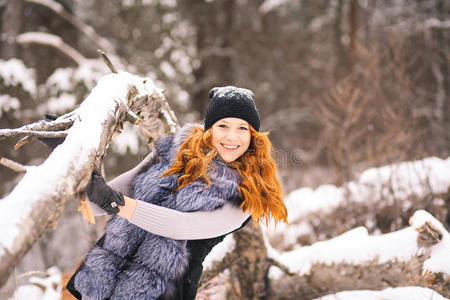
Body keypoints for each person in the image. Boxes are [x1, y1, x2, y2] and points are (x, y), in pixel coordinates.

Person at [62, 86, 288, 300]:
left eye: (242, 128)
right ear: (209, 129)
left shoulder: (247, 193)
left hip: (163, 290)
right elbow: (108, 196)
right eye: (223, 126)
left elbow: (181, 226)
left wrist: (117, 204)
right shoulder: (174, 150)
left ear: (253, 136)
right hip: (106, 274)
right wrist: (70, 160)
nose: (232, 137)